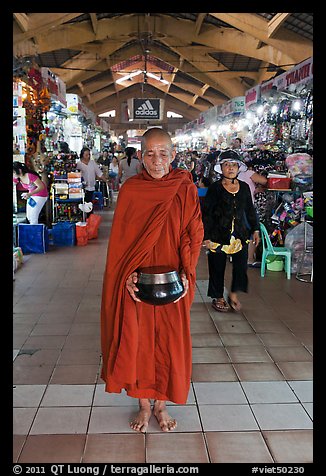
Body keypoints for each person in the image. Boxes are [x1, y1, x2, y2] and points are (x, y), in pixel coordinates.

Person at [101, 128, 204, 433]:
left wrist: (187, 270)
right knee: (139, 341)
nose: (157, 160)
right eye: (149, 153)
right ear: (140, 156)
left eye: (163, 153)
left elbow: (193, 232)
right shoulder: (132, 190)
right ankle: (144, 405)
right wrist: (126, 274)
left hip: (173, 278)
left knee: (170, 342)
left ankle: (162, 405)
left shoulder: (184, 187)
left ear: (173, 154)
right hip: (138, 280)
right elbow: (121, 242)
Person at [202, 149, 260, 313]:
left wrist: (255, 229)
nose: (231, 168)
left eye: (234, 165)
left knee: (241, 267)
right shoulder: (215, 188)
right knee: (217, 268)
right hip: (218, 235)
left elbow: (250, 210)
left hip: (240, 235)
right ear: (222, 167)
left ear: (238, 168)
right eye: (227, 165)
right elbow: (207, 213)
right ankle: (218, 296)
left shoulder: (244, 188)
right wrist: (205, 236)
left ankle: (233, 294)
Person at [238, 166, 268, 266]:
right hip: (246, 207)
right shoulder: (248, 173)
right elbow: (264, 181)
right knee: (253, 231)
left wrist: (257, 188)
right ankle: (250, 259)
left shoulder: (236, 175)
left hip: (236, 206)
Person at [76, 147, 109, 214]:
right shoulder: (78, 164)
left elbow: (99, 173)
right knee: (82, 204)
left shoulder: (92, 163)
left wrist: (106, 180)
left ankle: (89, 218)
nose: (88, 156)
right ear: (82, 155)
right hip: (81, 188)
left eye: (89, 155)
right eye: (86, 155)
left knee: (89, 204)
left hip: (91, 187)